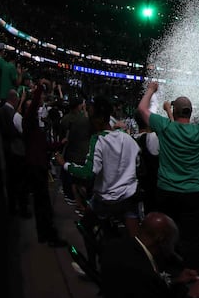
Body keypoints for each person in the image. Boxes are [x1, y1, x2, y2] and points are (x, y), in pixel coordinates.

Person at [137, 81, 199, 269]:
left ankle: (164, 272)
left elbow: (141, 109)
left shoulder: (165, 127)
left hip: (166, 191)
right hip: (194, 194)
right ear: (190, 112)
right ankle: (191, 277)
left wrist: (150, 90)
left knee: (164, 236)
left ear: (174, 110)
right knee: (191, 239)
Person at [55, 96, 142, 236]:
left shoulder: (98, 140)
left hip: (106, 200)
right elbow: (137, 161)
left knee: (85, 227)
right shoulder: (127, 138)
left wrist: (64, 164)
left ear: (99, 119)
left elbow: (88, 172)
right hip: (129, 197)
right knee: (136, 238)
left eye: (91, 117)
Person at [100, 212, 199, 298]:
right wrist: (193, 296)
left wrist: (175, 280)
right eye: (172, 243)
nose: (172, 249)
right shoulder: (143, 273)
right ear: (161, 239)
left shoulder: (115, 245)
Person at [24, 79, 67, 247]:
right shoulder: (28, 122)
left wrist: (59, 144)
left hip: (38, 166)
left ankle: (44, 234)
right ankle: (50, 236)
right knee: (43, 205)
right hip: (36, 167)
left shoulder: (33, 127)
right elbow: (34, 104)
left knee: (41, 204)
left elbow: (45, 146)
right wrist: (40, 87)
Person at [0, 89, 29, 217]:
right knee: (17, 182)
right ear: (15, 99)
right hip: (14, 151)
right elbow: (12, 132)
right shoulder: (10, 112)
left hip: (8, 151)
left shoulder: (3, 110)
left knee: (12, 182)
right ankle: (18, 209)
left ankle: (13, 207)